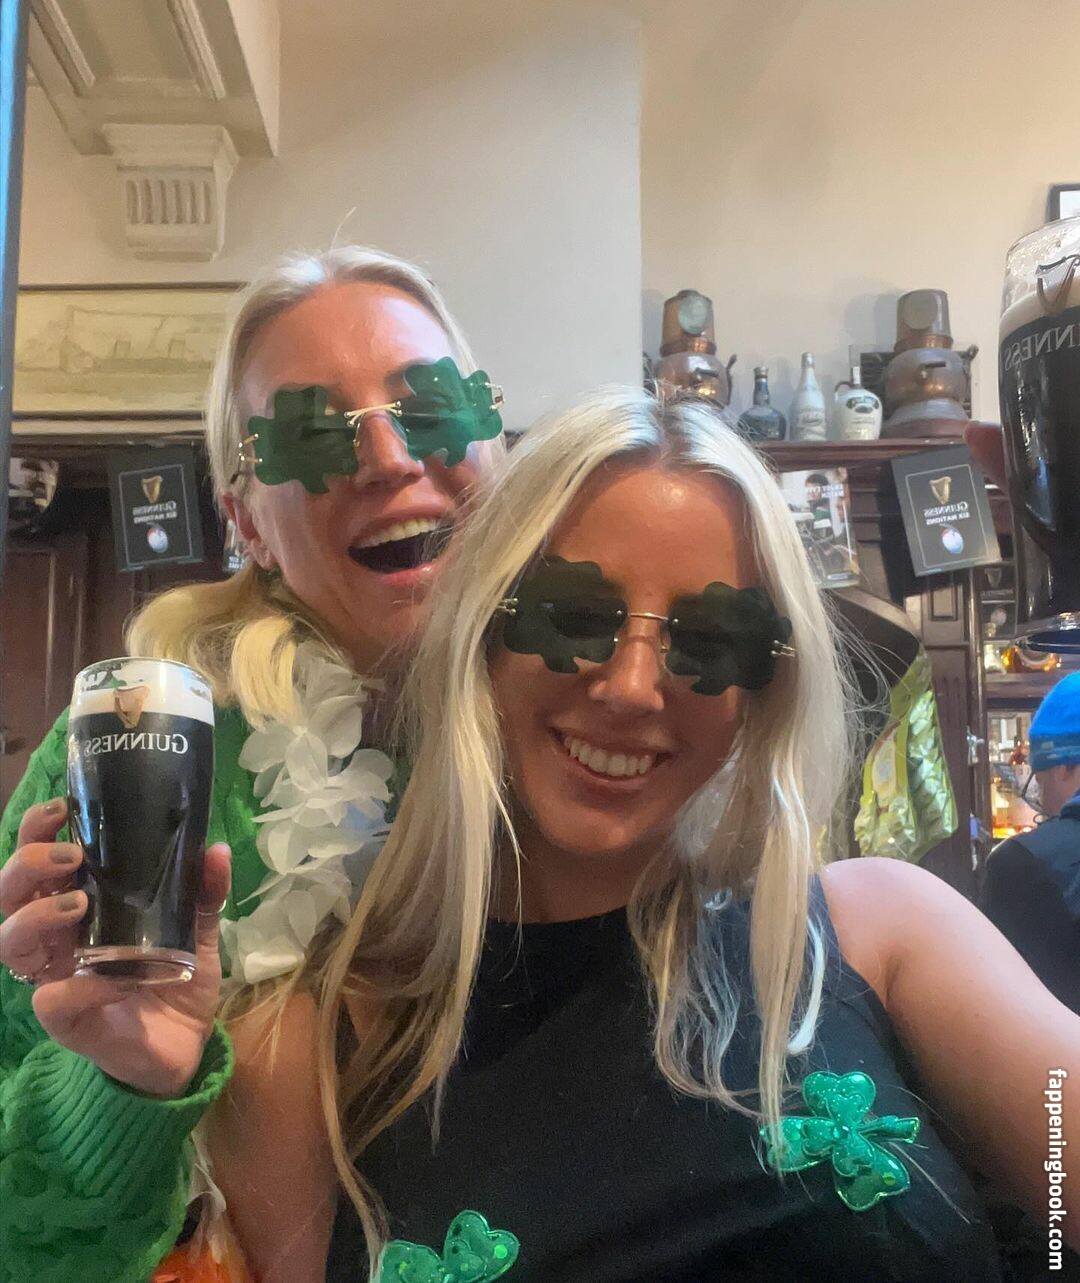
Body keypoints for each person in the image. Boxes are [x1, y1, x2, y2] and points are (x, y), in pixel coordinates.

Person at [198, 387, 1076, 1282]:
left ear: (761, 687)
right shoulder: (304, 1054)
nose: (629, 687)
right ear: (484, 632)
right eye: (574, 614)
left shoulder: (883, 931)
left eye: (711, 636)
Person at [0, 246, 504, 1283]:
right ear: (247, 526)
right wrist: (123, 1091)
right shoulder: (134, 750)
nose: (387, 458)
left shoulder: (595, 717)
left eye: (431, 407)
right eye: (310, 432)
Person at [983, 671, 1080, 1015]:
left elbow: (1004, 1011)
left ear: (1065, 766)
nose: (1042, 803)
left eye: (1040, 783)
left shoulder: (1022, 864)